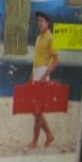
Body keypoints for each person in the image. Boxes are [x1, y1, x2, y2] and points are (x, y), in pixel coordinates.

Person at [28, 12, 58, 148]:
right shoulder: (38, 38)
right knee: (34, 110)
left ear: (47, 23)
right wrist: (31, 76)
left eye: (42, 21)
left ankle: (34, 141)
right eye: (38, 21)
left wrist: (45, 76)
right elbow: (36, 60)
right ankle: (49, 135)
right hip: (36, 73)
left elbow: (56, 61)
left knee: (38, 110)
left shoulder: (50, 38)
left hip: (43, 74)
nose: (39, 23)